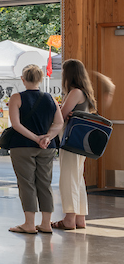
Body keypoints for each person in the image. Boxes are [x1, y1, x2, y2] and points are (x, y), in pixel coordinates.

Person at [7, 63, 62, 234]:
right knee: (45, 184)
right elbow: (59, 123)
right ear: (41, 79)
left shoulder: (16, 98)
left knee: (27, 184)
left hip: (22, 146)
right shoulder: (51, 98)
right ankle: (46, 223)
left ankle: (29, 224)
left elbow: (15, 124)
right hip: (47, 148)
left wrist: (35, 138)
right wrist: (47, 138)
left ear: (23, 80)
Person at [55, 58, 97, 230]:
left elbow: (61, 116)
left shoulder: (75, 93)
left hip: (71, 142)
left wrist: (57, 106)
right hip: (80, 143)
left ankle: (69, 219)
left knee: (68, 178)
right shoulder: (84, 93)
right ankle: (80, 218)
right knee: (77, 178)